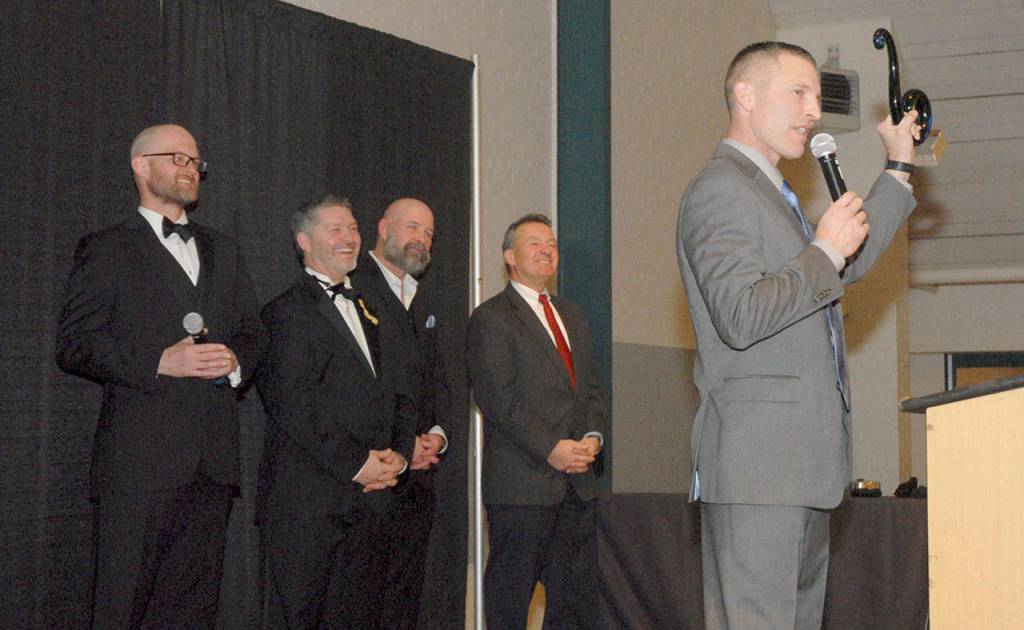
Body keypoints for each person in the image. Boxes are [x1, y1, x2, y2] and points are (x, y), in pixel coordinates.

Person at [676, 41, 920, 629]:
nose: (814, 111)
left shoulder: (775, 195)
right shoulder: (720, 189)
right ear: (745, 95)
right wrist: (823, 251)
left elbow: (841, 268)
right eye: (799, 93)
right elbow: (740, 314)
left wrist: (899, 168)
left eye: (816, 96)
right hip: (760, 469)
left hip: (802, 468)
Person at [55, 124, 262, 628]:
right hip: (136, 468)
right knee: (119, 608)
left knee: (192, 611)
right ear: (140, 166)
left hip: (212, 466)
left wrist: (236, 362)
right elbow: (75, 343)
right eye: (177, 158)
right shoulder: (106, 247)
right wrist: (158, 360)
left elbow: (253, 332)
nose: (190, 168)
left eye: (195, 162)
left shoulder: (225, 249)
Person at [256, 195, 416, 628]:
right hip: (309, 509)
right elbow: (293, 405)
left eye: (353, 229)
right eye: (336, 229)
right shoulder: (283, 313)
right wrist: (358, 463)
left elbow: (400, 390)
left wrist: (399, 456)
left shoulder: (374, 310)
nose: (349, 238)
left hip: (369, 505)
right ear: (304, 241)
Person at [466, 213, 608, 629]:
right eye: (535, 243)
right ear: (510, 256)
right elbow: (497, 398)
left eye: (552, 243)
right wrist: (552, 448)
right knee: (511, 601)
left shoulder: (573, 315)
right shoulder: (492, 317)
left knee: (575, 603)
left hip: (576, 487)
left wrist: (592, 440)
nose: (547, 250)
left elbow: (592, 390)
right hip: (521, 487)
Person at [349, 197, 451, 629]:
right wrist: (401, 442)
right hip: (372, 477)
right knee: (362, 601)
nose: (421, 240)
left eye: (428, 233)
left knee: (405, 598)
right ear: (383, 228)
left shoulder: (423, 300)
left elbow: (437, 382)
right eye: (412, 227)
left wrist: (437, 436)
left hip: (418, 482)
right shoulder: (353, 287)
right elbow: (357, 386)